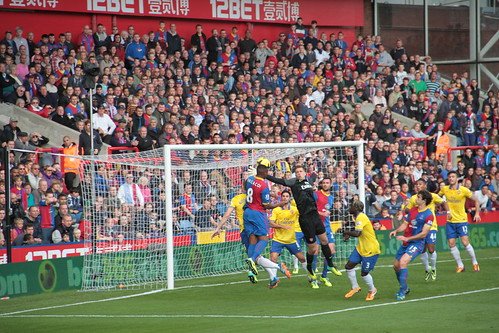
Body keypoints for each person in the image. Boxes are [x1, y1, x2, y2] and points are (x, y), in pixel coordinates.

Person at [265, 163, 338, 286]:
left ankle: (330, 265)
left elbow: (318, 176)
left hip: (315, 216)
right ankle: (310, 270)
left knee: (325, 240)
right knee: (313, 248)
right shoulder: (293, 183)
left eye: (301, 171)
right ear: (295, 174)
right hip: (305, 219)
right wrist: (265, 175)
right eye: (297, 171)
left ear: (305, 173)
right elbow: (279, 180)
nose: (299, 173)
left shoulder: (309, 180)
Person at [244, 158, 290, 288]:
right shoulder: (264, 186)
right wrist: (280, 204)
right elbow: (266, 205)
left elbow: (245, 188)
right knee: (264, 238)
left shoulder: (249, 179)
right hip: (258, 213)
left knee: (253, 238)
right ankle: (252, 260)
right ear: (264, 171)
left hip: (247, 212)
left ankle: (252, 263)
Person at [390, 190, 434, 301]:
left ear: (424, 200)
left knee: (403, 262)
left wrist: (407, 238)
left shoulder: (429, 215)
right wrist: (396, 231)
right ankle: (405, 288)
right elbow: (405, 225)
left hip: (417, 243)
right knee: (395, 266)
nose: (416, 198)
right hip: (406, 242)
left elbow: (424, 233)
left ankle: (402, 291)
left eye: (418, 197)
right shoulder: (413, 210)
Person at [211, 184, 259, 283]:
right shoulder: (255, 197)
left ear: (242, 188)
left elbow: (227, 215)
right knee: (255, 254)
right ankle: (274, 269)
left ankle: (255, 271)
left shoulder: (236, 199)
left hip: (244, 230)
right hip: (254, 228)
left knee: (252, 253)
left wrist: (218, 227)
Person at [438, 171, 481, 272]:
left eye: (453, 177)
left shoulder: (463, 190)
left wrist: (477, 213)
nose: (451, 178)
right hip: (450, 221)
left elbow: (476, 200)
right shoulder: (445, 189)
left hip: (461, 220)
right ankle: (460, 265)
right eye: (449, 177)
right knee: (451, 243)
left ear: (457, 179)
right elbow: (437, 197)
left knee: (465, 242)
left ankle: (475, 262)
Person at [402, 179, 444, 280]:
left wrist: (449, 212)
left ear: (425, 185)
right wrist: (408, 206)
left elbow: (443, 202)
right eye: (417, 184)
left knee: (431, 249)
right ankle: (427, 268)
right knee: (423, 250)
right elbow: (407, 210)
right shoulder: (413, 198)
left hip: (431, 226)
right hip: (419, 227)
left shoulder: (432, 196)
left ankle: (433, 268)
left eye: (420, 184)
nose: (418, 186)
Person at [342, 200, 380, 301]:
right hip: (361, 248)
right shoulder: (357, 217)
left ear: (356, 208)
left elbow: (358, 233)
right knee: (348, 266)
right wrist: (349, 234)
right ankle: (355, 287)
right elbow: (359, 232)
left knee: (364, 273)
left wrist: (346, 232)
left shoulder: (361, 217)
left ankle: (372, 290)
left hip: (370, 249)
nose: (349, 208)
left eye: (351, 206)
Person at [268, 190, 307, 286]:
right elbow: (271, 223)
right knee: (273, 258)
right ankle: (274, 280)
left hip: (291, 240)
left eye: (287, 196)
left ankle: (311, 278)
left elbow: (304, 213)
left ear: (290, 198)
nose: (285, 198)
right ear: (281, 198)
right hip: (278, 239)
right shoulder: (276, 209)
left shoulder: (294, 209)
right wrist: (282, 226)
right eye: (283, 196)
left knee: (302, 258)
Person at [313, 177, 342, 289]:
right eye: (323, 183)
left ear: (330, 184)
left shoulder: (331, 197)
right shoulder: (316, 194)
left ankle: (324, 276)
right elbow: (310, 208)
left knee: (331, 250)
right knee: (315, 251)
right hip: (315, 226)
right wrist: (321, 213)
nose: (325, 184)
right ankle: (313, 278)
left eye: (327, 183)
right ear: (321, 184)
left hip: (326, 227)